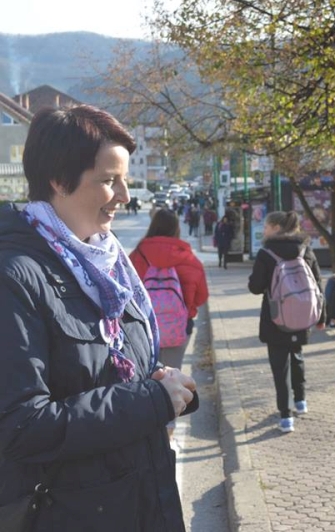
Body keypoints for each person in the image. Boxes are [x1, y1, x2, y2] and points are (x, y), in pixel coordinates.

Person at [0, 105, 195, 530]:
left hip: (140, 500)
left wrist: (161, 383)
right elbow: (20, 425)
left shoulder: (107, 265)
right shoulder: (14, 276)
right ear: (58, 179)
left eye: (123, 180)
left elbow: (109, 369)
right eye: (109, 181)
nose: (124, 196)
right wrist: (150, 400)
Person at [130, 208, 210, 436]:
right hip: (178, 328)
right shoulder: (189, 259)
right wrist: (187, 310)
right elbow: (202, 296)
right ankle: (169, 430)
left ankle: (147, 428)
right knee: (173, 378)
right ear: (177, 228)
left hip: (142, 330)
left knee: (146, 378)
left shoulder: (137, 256)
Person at [248, 211, 324, 433]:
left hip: (276, 318)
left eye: (267, 226)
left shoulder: (266, 253)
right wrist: (322, 317)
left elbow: (254, 287)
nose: (264, 230)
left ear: (277, 228)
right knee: (297, 355)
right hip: (302, 315)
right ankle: (301, 402)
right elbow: (318, 283)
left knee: (279, 365)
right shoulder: (304, 248)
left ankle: (285, 416)